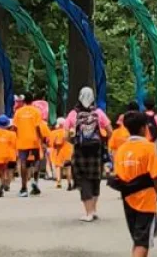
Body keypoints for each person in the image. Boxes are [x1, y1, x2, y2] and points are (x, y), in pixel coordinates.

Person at [109, 111, 157, 257]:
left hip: (128, 200)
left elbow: (118, 176)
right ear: (143, 128)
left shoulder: (121, 149)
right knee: (142, 242)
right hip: (145, 201)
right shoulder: (148, 147)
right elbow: (156, 176)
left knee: (137, 239)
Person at [67, 87, 111, 221]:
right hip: (96, 150)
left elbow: (65, 136)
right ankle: (94, 209)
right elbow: (110, 131)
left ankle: (89, 212)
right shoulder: (98, 113)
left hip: (80, 150)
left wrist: (74, 141)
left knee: (83, 179)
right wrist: (102, 141)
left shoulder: (73, 114)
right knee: (95, 178)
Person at [13, 92, 50, 197]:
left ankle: (24, 188)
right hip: (34, 139)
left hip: (22, 140)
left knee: (23, 162)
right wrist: (41, 139)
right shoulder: (36, 112)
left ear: (24, 101)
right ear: (32, 101)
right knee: (37, 160)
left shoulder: (18, 112)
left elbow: (15, 127)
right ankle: (35, 181)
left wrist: (16, 136)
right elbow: (38, 127)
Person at [50, 118, 71, 189]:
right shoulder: (68, 132)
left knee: (58, 166)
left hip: (58, 152)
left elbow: (53, 143)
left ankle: (58, 181)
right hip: (67, 151)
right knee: (68, 167)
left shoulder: (53, 132)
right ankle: (69, 182)